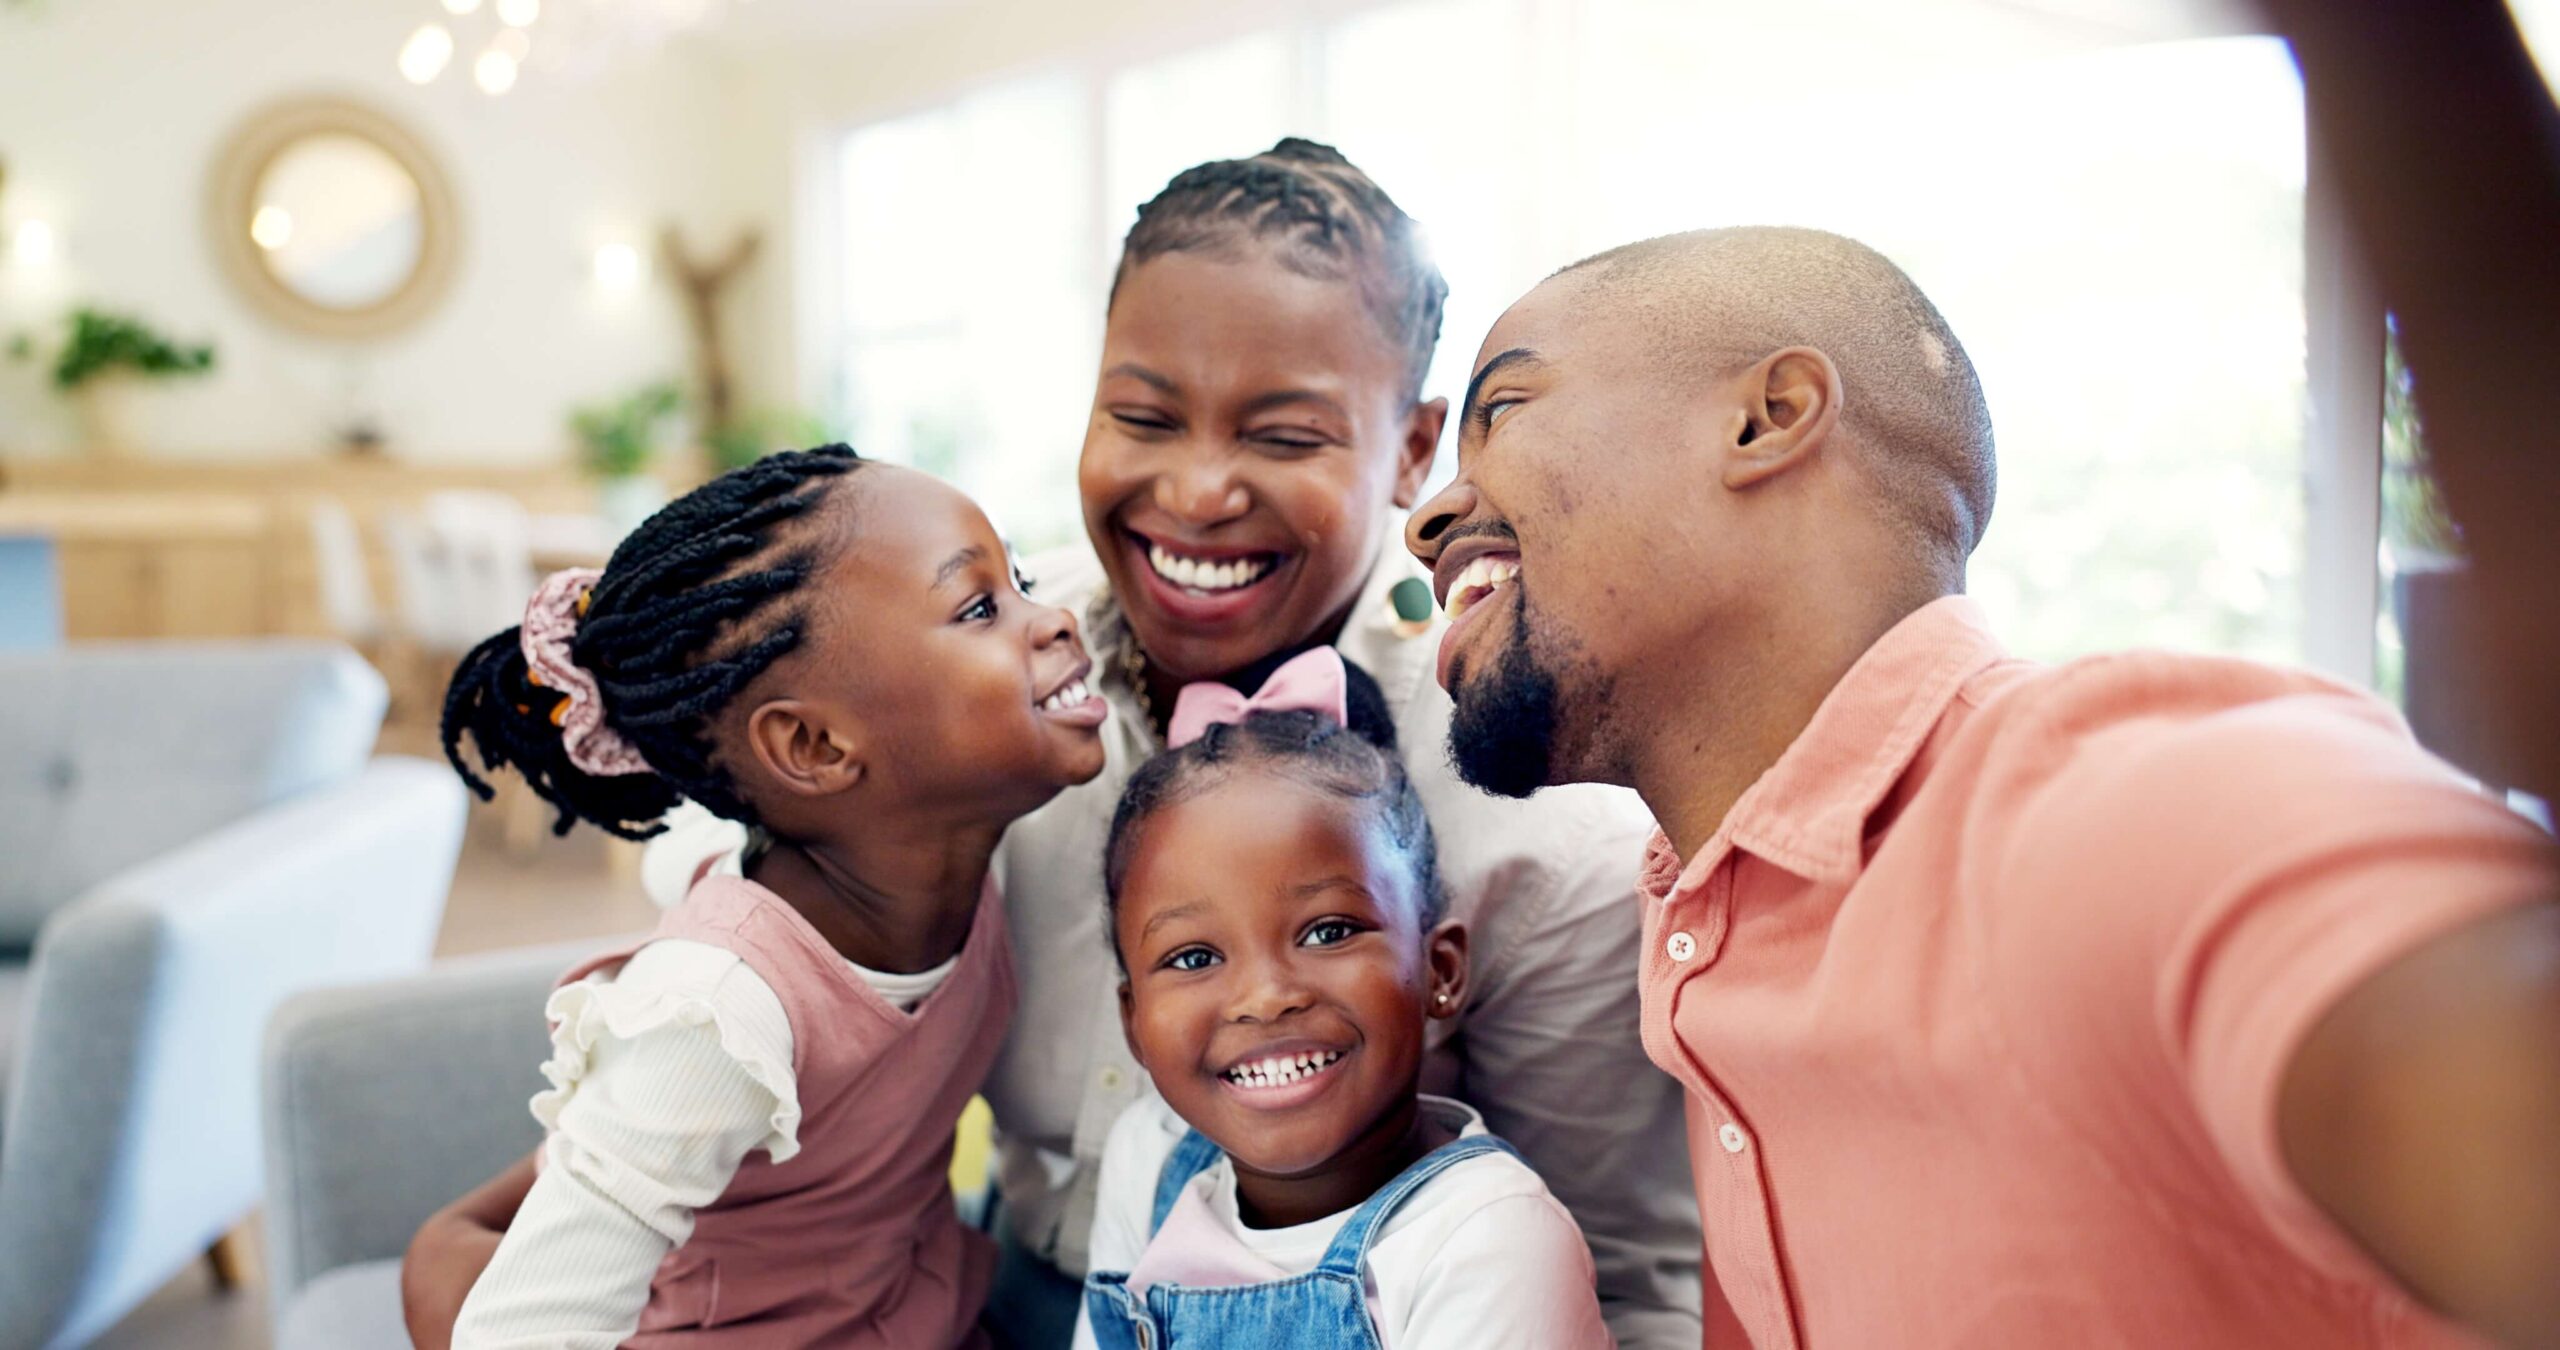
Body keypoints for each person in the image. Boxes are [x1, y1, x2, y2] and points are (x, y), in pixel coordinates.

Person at [405, 138, 1697, 1350]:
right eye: (1143, 416)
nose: (1195, 491)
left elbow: (1628, 1275)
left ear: (1414, 447)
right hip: (998, 1292)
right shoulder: (956, 714)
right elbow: (740, 927)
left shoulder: (1536, 812)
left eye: (1283, 433)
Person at [1403, 223, 2560, 1348]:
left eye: (1500, 411)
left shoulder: (2135, 800)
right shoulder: (1698, 927)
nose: (1428, 518)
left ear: (1768, 418)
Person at [430, 447, 1109, 1347]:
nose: (1057, 618)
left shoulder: (974, 868)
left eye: (1019, 580)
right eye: (980, 607)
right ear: (815, 748)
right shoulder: (718, 1011)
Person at [1073, 648, 1610, 1350]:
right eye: (1194, 956)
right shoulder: (1147, 1163)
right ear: (1134, 1025)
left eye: (1328, 932)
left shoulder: (1488, 1239)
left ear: (1440, 969)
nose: (1265, 998)